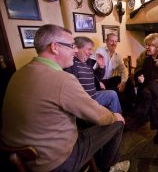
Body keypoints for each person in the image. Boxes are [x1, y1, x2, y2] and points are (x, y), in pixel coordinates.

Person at [1, 24, 129, 172]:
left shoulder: (18, 73)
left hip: (22, 156)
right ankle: (108, 167)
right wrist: (115, 116)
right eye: (71, 46)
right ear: (55, 47)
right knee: (117, 123)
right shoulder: (62, 79)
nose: (74, 50)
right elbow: (99, 116)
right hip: (56, 161)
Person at [64, 36, 122, 114]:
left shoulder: (87, 62)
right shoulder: (71, 63)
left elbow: (95, 77)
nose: (91, 52)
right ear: (76, 49)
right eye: (89, 49)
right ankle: (116, 123)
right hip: (83, 100)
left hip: (93, 96)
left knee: (112, 94)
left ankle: (118, 121)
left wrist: (101, 67)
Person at [94, 33, 136, 115]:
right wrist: (97, 82)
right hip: (99, 81)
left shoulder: (117, 55)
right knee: (115, 90)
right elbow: (90, 70)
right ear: (106, 41)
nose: (114, 43)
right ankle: (118, 115)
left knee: (128, 81)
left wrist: (123, 82)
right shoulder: (99, 52)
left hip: (108, 80)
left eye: (116, 41)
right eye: (111, 41)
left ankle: (132, 108)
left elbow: (124, 70)